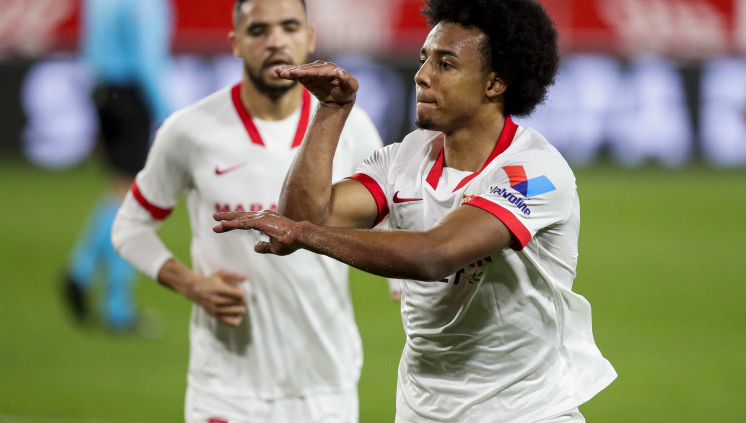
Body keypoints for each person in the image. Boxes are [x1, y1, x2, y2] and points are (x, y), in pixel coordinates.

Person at [213, 0, 617, 421]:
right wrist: (330, 111)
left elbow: (433, 254)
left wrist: (304, 236)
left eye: (445, 64)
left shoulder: (534, 172)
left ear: (494, 83)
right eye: (424, 59)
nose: (421, 75)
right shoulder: (406, 157)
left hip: (526, 411)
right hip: (421, 410)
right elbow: (304, 215)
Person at [111, 0, 390, 421]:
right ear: (236, 43)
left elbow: (392, 224)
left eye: (289, 27)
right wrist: (191, 284)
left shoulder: (352, 128)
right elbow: (130, 227)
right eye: (259, 30)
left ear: (310, 38)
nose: (276, 40)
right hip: (225, 390)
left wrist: (408, 290)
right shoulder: (189, 131)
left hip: (325, 388)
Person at [63, 0, 173, 331]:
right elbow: (147, 58)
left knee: (119, 191)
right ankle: (109, 298)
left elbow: (89, 47)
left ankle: (84, 276)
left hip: (104, 92)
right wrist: (168, 115)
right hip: (131, 95)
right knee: (132, 199)